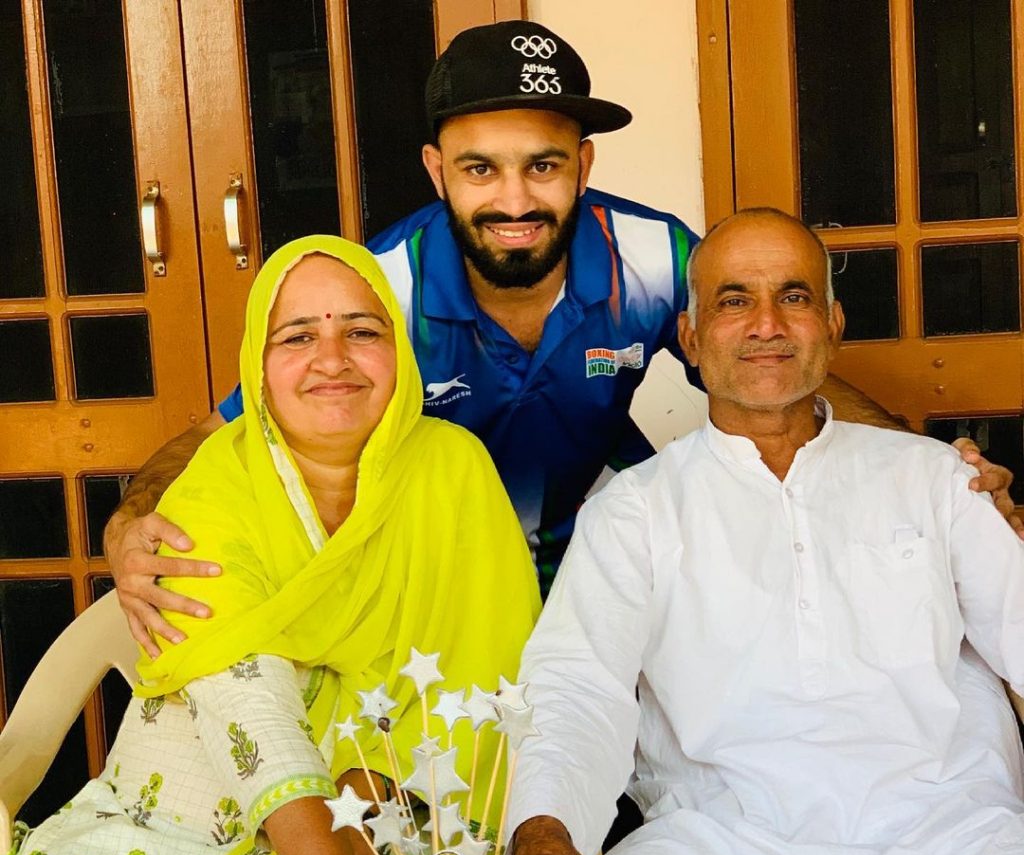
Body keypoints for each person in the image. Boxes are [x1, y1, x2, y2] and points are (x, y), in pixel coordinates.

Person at [102, 20, 1020, 655]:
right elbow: (231, 431)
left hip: (594, 557)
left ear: (582, 164)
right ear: (435, 171)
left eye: (543, 165)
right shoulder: (381, 286)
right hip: (429, 574)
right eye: (478, 169)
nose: (513, 200)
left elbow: (780, 362)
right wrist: (131, 520)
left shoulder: (655, 253)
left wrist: (943, 477)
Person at [0, 236, 539, 855]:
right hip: (169, 835)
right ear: (258, 364)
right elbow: (246, 706)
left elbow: (483, 673)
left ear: (401, 348)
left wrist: (368, 800)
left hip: (386, 824)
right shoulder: (217, 483)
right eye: (298, 336)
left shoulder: (452, 470)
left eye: (362, 329)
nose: (332, 358)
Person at [506, 209, 1024, 855]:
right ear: (691, 333)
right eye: (733, 300)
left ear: (833, 322)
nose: (767, 326)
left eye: (794, 296)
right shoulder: (636, 512)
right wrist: (543, 829)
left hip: (957, 852)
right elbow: (579, 689)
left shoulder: (935, 481)